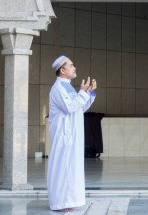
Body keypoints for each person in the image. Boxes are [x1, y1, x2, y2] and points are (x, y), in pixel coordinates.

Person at [47, 55, 97, 212]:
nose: (74, 67)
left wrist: (89, 93)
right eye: (71, 65)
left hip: (71, 138)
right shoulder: (59, 88)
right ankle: (62, 203)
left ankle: (70, 201)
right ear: (63, 70)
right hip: (64, 138)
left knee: (71, 169)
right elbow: (70, 107)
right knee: (64, 169)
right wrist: (82, 93)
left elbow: (79, 108)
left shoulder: (67, 86)